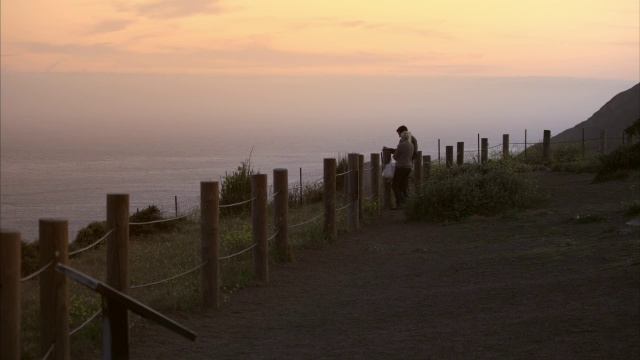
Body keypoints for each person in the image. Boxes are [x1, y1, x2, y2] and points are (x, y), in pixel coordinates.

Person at [390, 131, 414, 209]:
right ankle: (407, 202)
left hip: (401, 167)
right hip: (409, 167)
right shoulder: (411, 145)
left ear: (402, 137)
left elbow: (395, 157)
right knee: (403, 185)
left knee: (394, 185)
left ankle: (398, 203)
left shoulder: (401, 145)